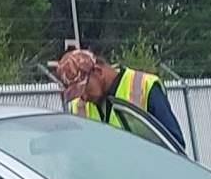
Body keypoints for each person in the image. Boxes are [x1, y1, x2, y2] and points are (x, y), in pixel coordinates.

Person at [54, 47, 186, 153]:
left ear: (98, 72)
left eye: (84, 89)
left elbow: (174, 145)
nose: (83, 97)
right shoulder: (79, 106)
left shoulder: (143, 86)